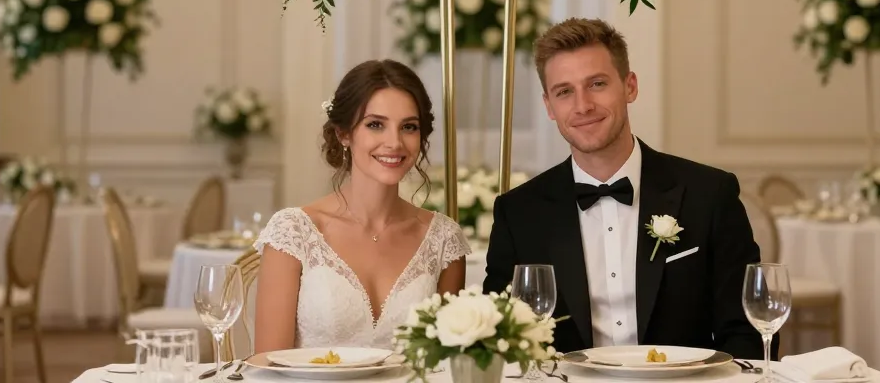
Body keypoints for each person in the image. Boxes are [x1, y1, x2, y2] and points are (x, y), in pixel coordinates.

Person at [483, 18, 765, 358]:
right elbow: (500, 339)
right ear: (549, 106)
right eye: (564, 92)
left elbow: (748, 330)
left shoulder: (710, 194)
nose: (583, 105)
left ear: (630, 86)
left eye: (597, 84)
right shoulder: (519, 213)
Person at [255, 59, 470, 351]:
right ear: (343, 133)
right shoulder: (293, 232)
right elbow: (267, 363)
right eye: (375, 125)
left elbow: (447, 361)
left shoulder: (444, 239)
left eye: (408, 127)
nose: (394, 142)